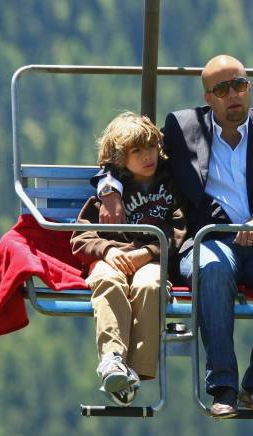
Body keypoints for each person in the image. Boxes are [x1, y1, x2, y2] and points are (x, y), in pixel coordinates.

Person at [95, 55, 253, 418]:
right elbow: (126, 152)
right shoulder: (183, 127)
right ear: (208, 97)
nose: (234, 96)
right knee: (211, 270)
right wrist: (109, 189)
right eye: (222, 89)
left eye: (240, 85)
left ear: (249, 88)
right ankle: (223, 386)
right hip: (208, 239)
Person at [70, 112, 186, 406]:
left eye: (151, 148)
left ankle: (135, 370)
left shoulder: (171, 188)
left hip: (150, 260)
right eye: (137, 151)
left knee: (150, 286)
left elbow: (180, 229)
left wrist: (147, 252)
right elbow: (81, 237)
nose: (148, 156)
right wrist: (108, 251)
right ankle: (112, 358)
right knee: (107, 281)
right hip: (112, 260)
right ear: (121, 158)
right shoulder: (108, 197)